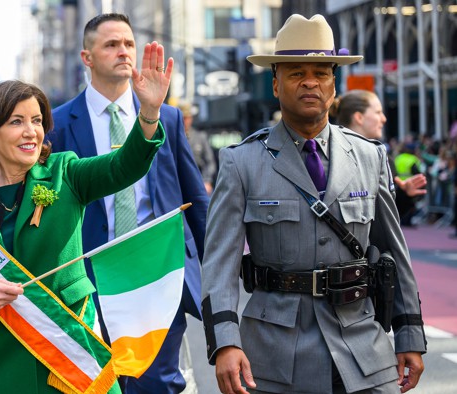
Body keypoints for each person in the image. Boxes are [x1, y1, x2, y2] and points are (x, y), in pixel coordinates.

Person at [0, 41, 171, 393]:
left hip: (67, 344)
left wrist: (148, 113)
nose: (31, 132)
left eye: (37, 121)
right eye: (17, 122)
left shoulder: (65, 172)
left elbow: (123, 167)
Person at [201, 14, 426, 394]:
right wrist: (224, 340)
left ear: (333, 85)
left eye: (321, 73)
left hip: (361, 348)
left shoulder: (369, 157)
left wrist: (410, 335)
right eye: (296, 73)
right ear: (275, 84)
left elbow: (392, 251)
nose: (310, 81)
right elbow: (219, 262)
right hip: (275, 357)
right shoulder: (241, 162)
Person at [48, 13, 208, 394]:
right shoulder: (56, 124)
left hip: (158, 273)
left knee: (159, 383)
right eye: (111, 44)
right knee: (97, 384)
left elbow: (194, 197)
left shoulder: (166, 118)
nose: (124, 52)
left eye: (129, 44)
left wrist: (215, 270)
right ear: (87, 57)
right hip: (90, 278)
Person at [331, 90, 428, 221]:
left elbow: (388, 217)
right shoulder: (330, 154)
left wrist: (403, 194)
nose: (384, 119)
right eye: (378, 112)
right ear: (359, 117)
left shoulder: (382, 157)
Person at [180, 102, 216, 194]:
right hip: (179, 184)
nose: (185, 121)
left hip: (199, 183)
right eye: (183, 118)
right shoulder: (172, 137)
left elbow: (210, 162)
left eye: (187, 118)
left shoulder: (200, 137)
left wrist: (207, 181)